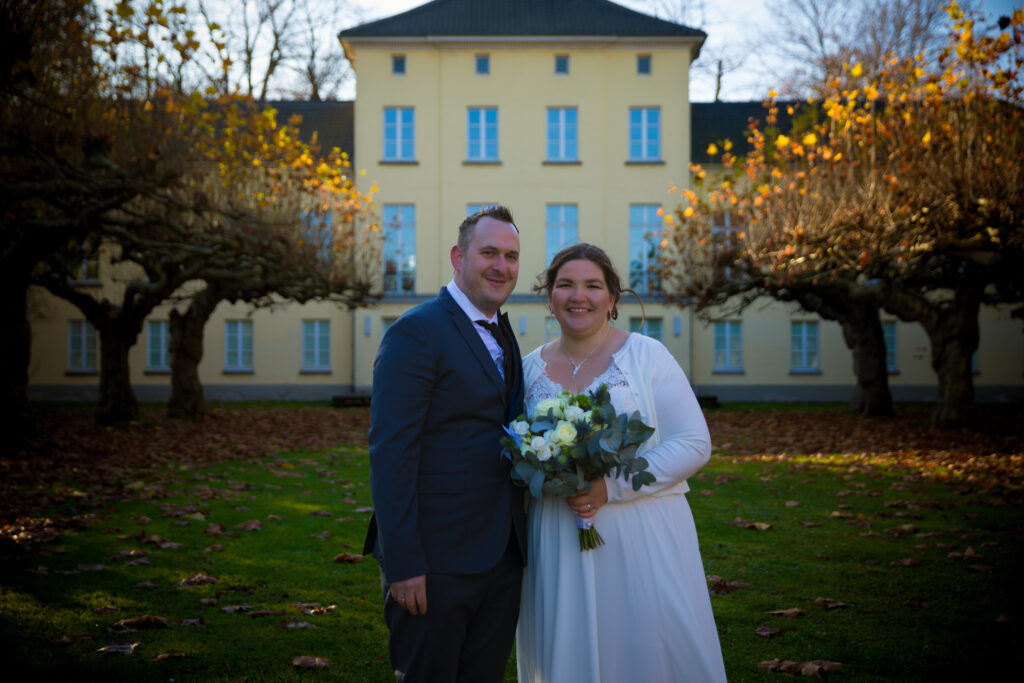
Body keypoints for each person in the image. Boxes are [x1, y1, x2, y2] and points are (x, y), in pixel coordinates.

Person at [516, 243, 727, 682]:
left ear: (613, 299)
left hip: (641, 531)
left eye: (593, 286)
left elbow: (693, 442)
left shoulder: (647, 357)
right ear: (550, 298)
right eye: (565, 285)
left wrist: (609, 488)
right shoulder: (528, 370)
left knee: (643, 646)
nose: (579, 296)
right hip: (556, 534)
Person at [363, 205, 528, 682]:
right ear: (459, 256)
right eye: (490, 253)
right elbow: (391, 453)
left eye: (512, 256)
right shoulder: (417, 331)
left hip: (502, 555)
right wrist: (404, 564)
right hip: (434, 562)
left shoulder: (503, 330)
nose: (502, 266)